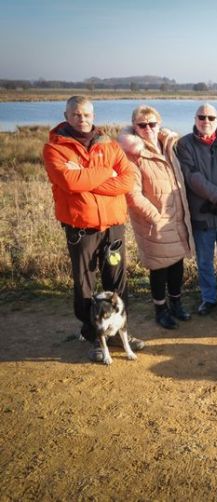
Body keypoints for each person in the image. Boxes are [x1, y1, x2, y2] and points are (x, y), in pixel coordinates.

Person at [42, 96, 144, 362]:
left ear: (93, 115)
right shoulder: (55, 149)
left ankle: (120, 329)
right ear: (66, 114)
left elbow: (127, 180)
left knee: (117, 280)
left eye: (87, 114)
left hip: (113, 227)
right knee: (84, 284)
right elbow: (69, 181)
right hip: (81, 228)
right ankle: (93, 335)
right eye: (76, 114)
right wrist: (105, 173)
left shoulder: (108, 144)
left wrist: (87, 176)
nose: (82, 119)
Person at [118, 105, 194, 330]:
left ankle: (177, 304)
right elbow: (132, 193)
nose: (148, 128)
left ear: (159, 123)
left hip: (177, 217)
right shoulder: (132, 154)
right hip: (155, 221)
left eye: (152, 123)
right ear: (135, 127)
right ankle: (161, 310)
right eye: (142, 125)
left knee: (176, 264)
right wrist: (155, 216)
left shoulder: (169, 145)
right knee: (159, 267)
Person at [177, 103, 217, 316]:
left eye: (211, 118)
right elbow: (191, 175)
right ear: (195, 119)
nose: (206, 121)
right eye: (202, 117)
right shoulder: (184, 144)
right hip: (202, 213)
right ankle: (208, 298)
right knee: (204, 261)